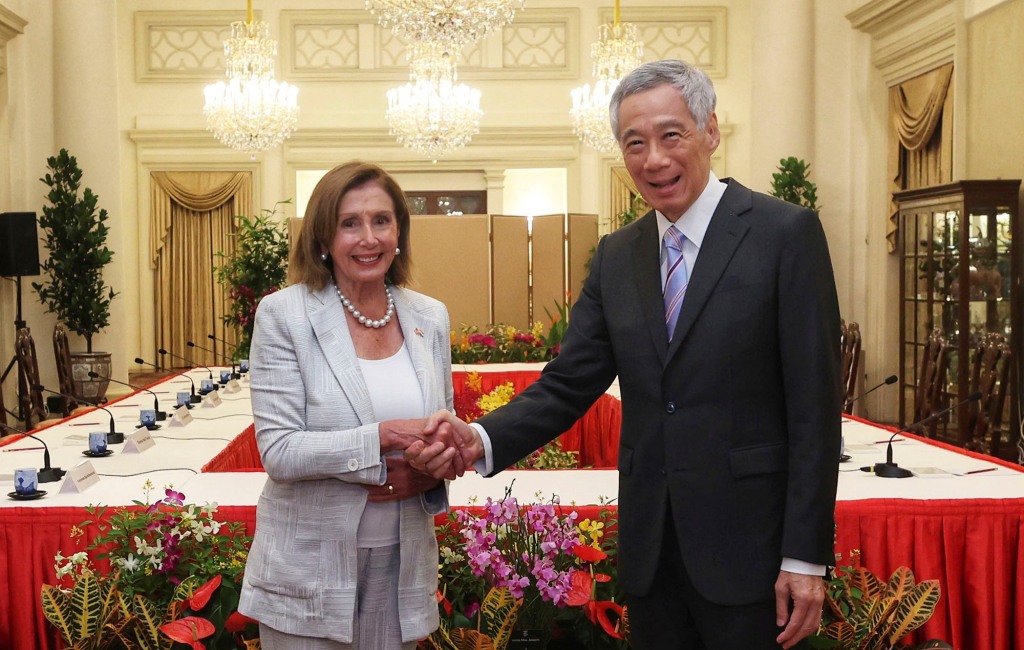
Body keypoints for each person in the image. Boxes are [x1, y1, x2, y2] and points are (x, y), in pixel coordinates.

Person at [410, 59, 842, 649]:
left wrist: (806, 557)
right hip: (651, 552)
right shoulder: (618, 255)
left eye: (671, 135)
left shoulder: (783, 234)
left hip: (753, 554)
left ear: (710, 131)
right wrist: (478, 439)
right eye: (634, 143)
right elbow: (569, 382)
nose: (654, 159)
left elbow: (815, 408)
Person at [238, 161, 462, 649]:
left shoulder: (430, 317)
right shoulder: (284, 315)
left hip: (401, 569)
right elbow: (279, 450)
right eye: (349, 223)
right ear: (323, 238)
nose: (369, 238)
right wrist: (382, 438)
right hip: (308, 574)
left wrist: (433, 469)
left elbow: (441, 429)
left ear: (399, 230)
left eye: (381, 220)